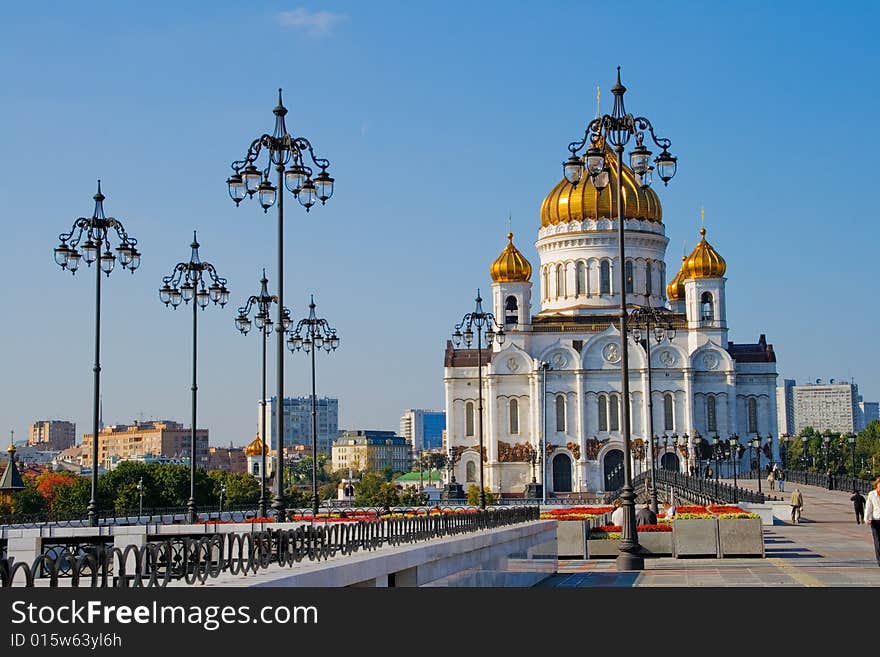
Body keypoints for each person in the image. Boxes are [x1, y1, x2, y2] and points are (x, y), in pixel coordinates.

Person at [865, 477, 880, 567]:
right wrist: (866, 518)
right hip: (876, 520)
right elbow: (868, 507)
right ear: (876, 485)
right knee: (877, 542)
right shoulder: (872, 494)